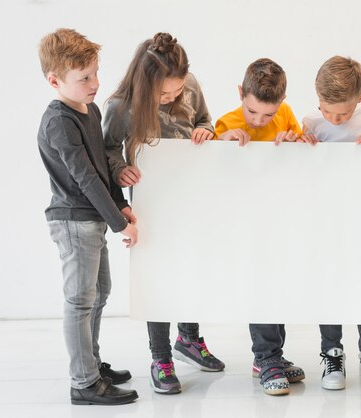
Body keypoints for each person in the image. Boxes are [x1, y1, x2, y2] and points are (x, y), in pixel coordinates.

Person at [103, 32, 224, 395]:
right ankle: (160, 357)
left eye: (176, 92)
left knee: (191, 266)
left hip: (192, 197)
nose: (171, 98)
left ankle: (188, 339)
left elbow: (205, 119)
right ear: (144, 82)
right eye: (164, 95)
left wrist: (205, 130)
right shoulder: (121, 105)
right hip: (150, 203)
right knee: (156, 276)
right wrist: (119, 167)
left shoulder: (190, 86)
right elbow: (108, 149)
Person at [37, 28, 139, 406]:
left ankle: (92, 365)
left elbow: (100, 170)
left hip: (93, 217)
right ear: (55, 80)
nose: (96, 83)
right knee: (80, 300)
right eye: (84, 79)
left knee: (101, 293)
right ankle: (83, 382)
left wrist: (121, 204)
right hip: (73, 220)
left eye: (96, 73)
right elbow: (82, 177)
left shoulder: (91, 110)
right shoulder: (59, 122)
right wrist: (121, 222)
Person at [301, 56, 361, 390]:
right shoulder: (311, 121)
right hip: (327, 216)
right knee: (330, 280)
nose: (335, 119)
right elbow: (304, 172)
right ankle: (331, 351)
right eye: (328, 111)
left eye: (343, 113)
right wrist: (303, 146)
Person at [214, 58, 304, 396]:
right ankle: (267, 357)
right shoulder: (227, 122)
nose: (259, 121)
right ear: (241, 94)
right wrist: (221, 144)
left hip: (279, 215)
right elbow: (210, 171)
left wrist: (295, 141)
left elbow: (304, 152)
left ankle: (271, 356)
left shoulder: (285, 114)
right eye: (253, 112)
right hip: (244, 221)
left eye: (268, 115)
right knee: (261, 285)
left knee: (277, 287)